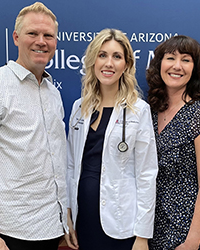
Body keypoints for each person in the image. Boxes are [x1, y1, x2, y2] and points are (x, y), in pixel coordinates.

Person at [0, 2, 67, 250]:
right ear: (15, 38)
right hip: (8, 234)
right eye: (32, 33)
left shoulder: (52, 93)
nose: (41, 41)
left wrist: (64, 222)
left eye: (48, 35)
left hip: (50, 230)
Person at [65, 28, 158, 250]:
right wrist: (68, 216)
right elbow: (70, 166)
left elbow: (147, 174)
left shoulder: (138, 110)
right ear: (92, 61)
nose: (109, 63)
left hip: (122, 222)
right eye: (102, 55)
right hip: (84, 219)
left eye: (117, 57)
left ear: (126, 65)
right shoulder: (79, 108)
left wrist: (142, 236)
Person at [146, 35, 200, 250]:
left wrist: (192, 242)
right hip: (150, 228)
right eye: (171, 58)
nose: (177, 66)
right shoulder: (148, 112)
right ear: (160, 64)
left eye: (186, 60)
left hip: (187, 234)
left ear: (195, 68)